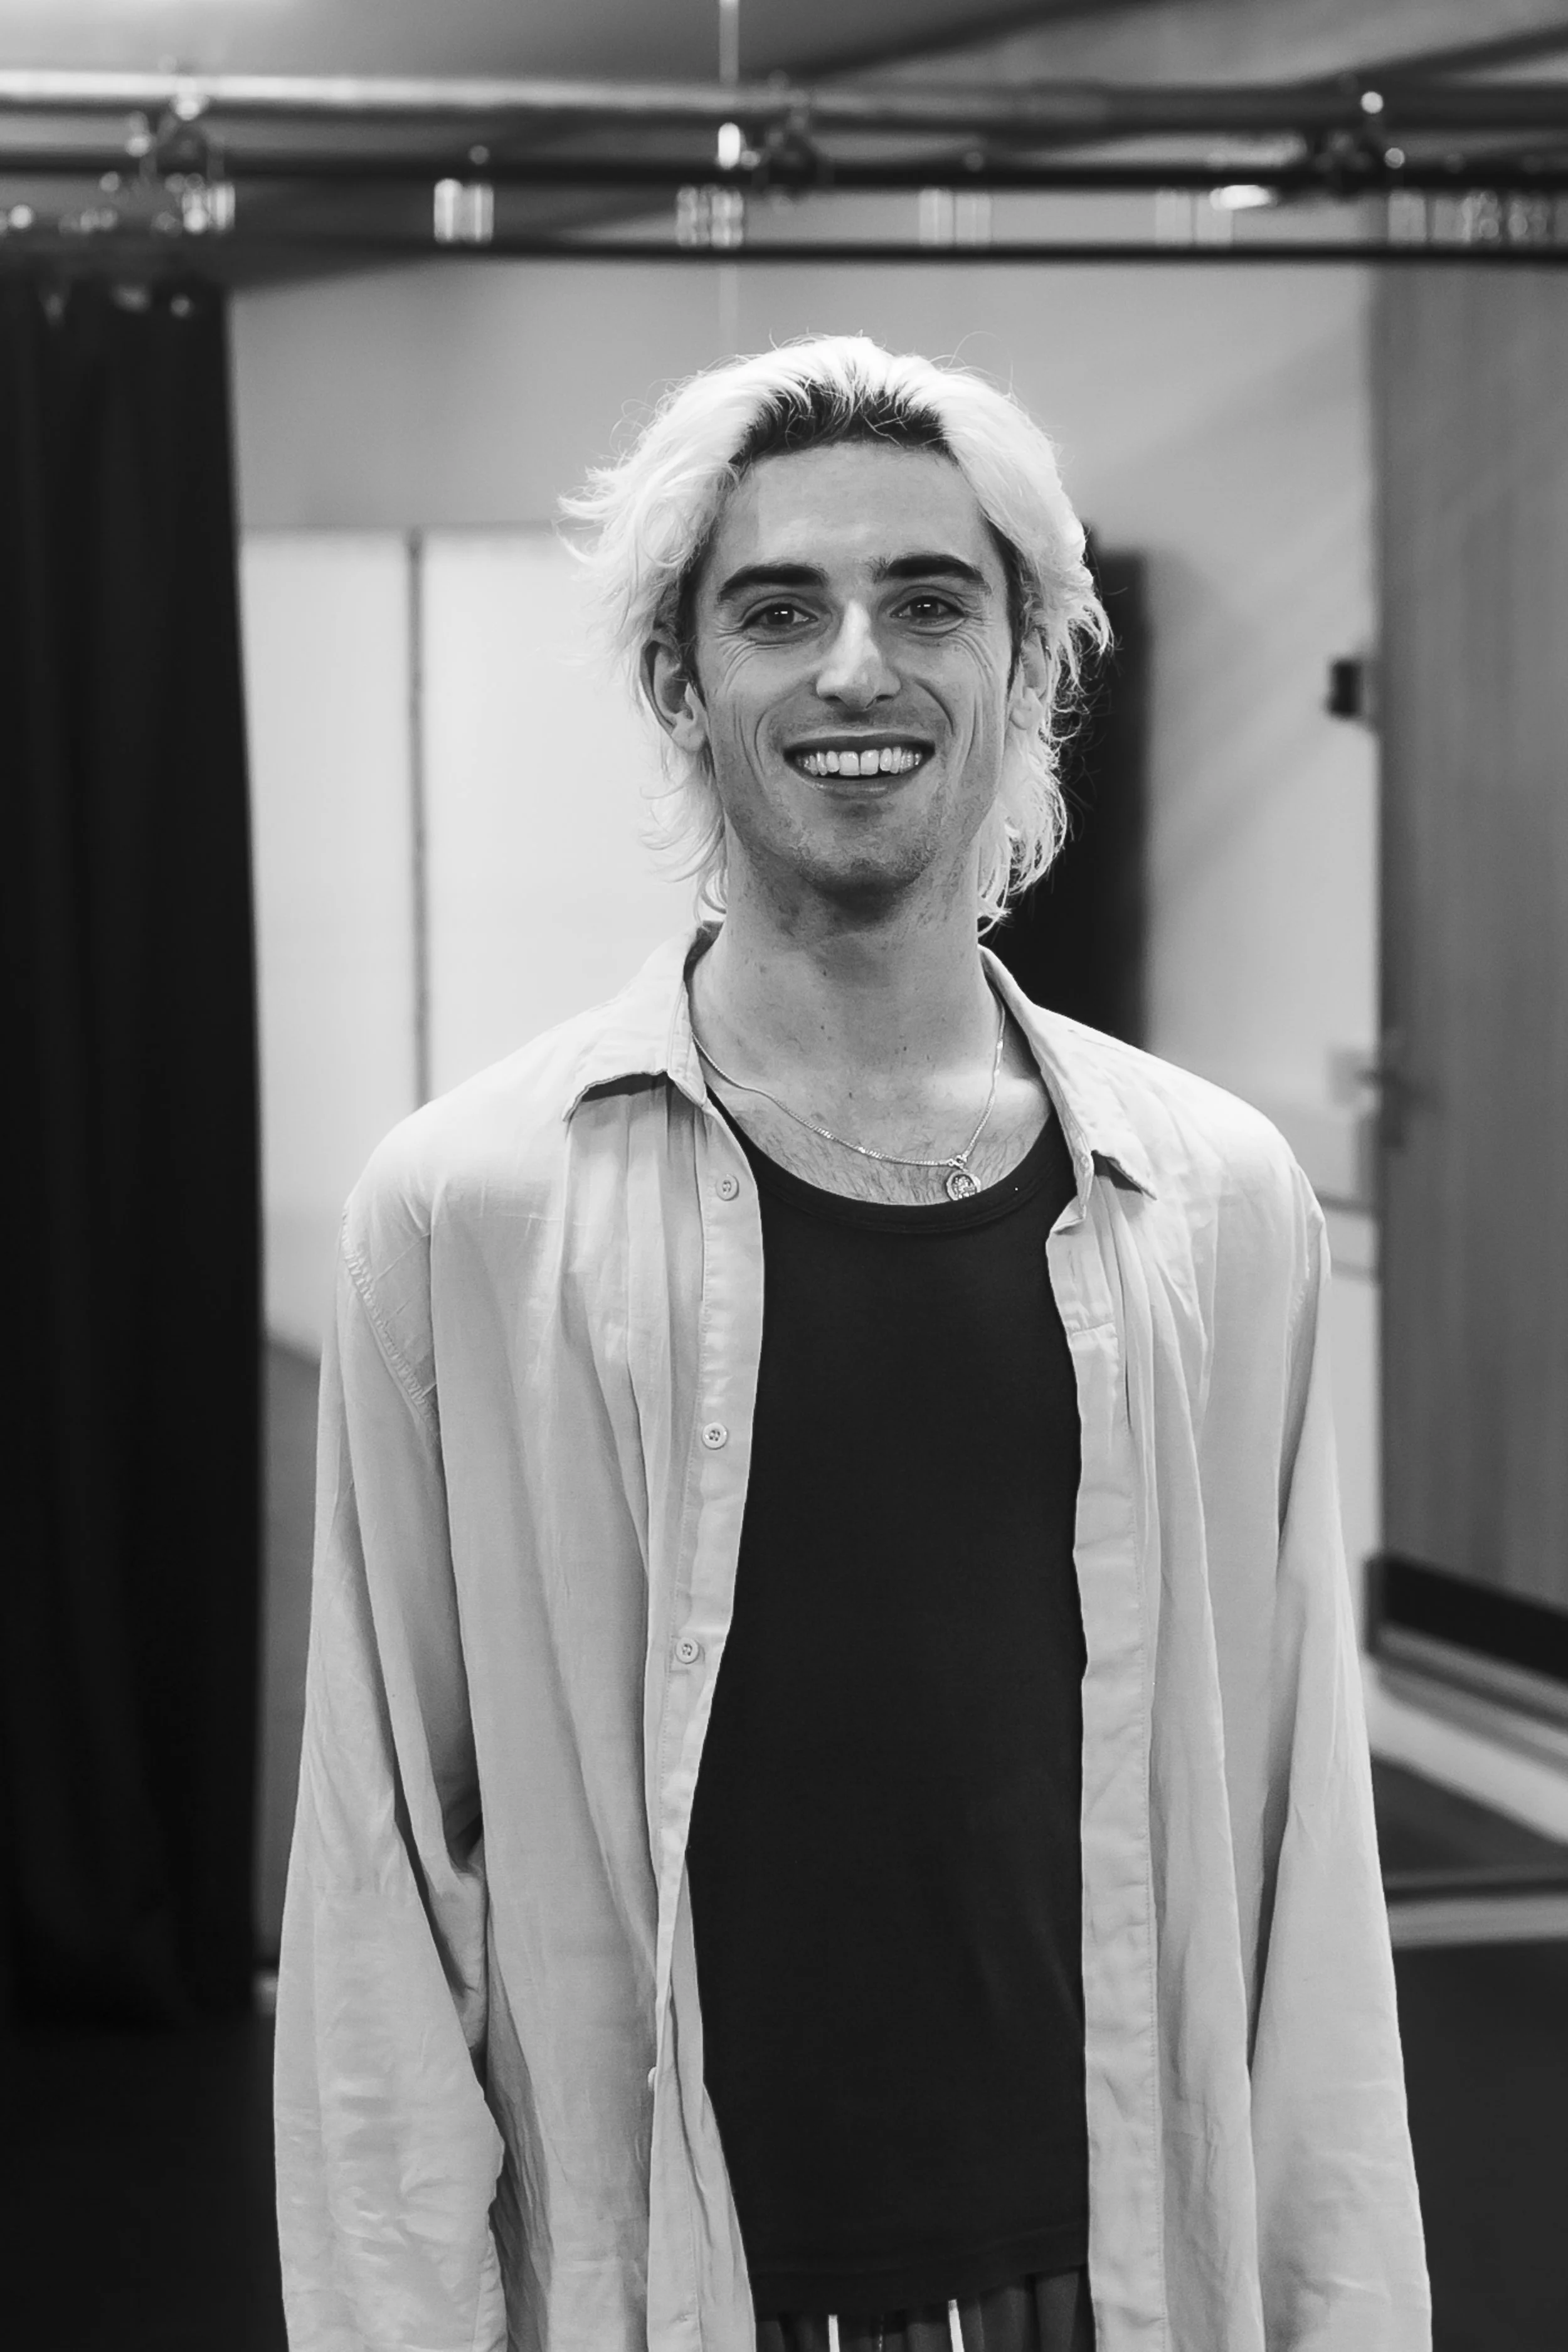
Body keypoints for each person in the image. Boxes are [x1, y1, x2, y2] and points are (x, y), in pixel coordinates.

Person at [274, 336, 1430, 2352]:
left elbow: (1297, 1841)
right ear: (678, 683)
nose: (852, 669)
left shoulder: (1215, 1201)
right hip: (672, 2281)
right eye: (775, 609)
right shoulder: (471, 1207)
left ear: (1029, 664)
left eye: (927, 601)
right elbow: (383, 1869)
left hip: (1119, 2272)